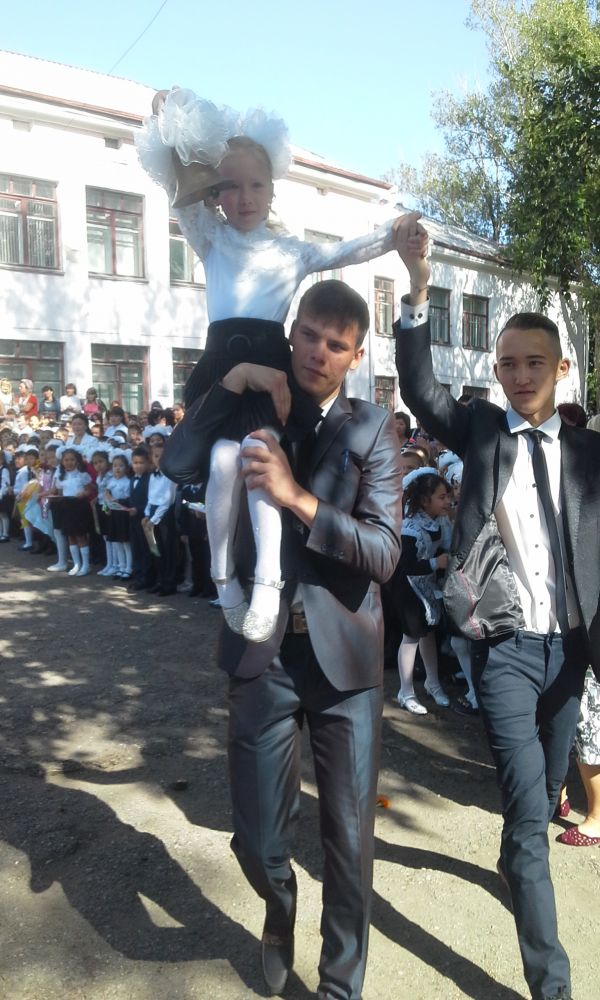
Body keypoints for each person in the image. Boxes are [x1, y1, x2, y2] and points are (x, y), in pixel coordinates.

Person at [163, 278, 404, 1000]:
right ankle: (278, 905)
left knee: (349, 841)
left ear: (355, 355)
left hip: (344, 663)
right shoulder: (249, 403)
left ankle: (339, 987)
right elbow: (178, 464)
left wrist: (299, 499)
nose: (318, 353)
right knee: (256, 838)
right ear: (292, 332)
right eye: (309, 335)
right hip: (259, 652)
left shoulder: (372, 429)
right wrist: (231, 378)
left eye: (337, 344)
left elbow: (384, 553)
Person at [393, 211, 600, 1000]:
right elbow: (421, 389)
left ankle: (519, 853)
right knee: (527, 815)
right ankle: (552, 984)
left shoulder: (590, 455)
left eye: (534, 362)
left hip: (570, 653)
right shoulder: (481, 431)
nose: (519, 375)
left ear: (562, 368)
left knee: (543, 794)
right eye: (507, 363)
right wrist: (417, 290)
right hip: (504, 651)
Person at [136, 86, 401, 644]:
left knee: (258, 464)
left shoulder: (292, 252)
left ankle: (266, 582)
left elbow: (348, 251)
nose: (244, 197)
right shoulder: (210, 237)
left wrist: (393, 235)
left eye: (256, 185)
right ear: (216, 192)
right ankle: (223, 578)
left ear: (273, 188)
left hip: (270, 372)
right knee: (222, 462)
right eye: (230, 185)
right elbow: (179, 190)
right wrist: (168, 120)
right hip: (221, 371)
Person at [390, 468, 451, 714]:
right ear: (425, 500)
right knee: (411, 636)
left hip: (427, 585)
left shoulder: (440, 522)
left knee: (428, 634)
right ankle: (405, 691)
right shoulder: (410, 528)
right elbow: (406, 566)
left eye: (447, 496)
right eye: (441, 497)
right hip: (408, 588)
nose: (447, 501)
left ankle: (432, 682)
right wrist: (436, 563)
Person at [52, 446, 94, 577]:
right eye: (66, 460)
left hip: (79, 506)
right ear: (62, 461)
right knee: (70, 536)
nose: (69, 462)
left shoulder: (82, 475)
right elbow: (60, 493)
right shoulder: (61, 476)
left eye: (72, 460)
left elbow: (90, 489)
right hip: (66, 506)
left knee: (81, 536)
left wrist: (84, 493)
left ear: (77, 461)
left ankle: (86, 564)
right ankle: (76, 564)